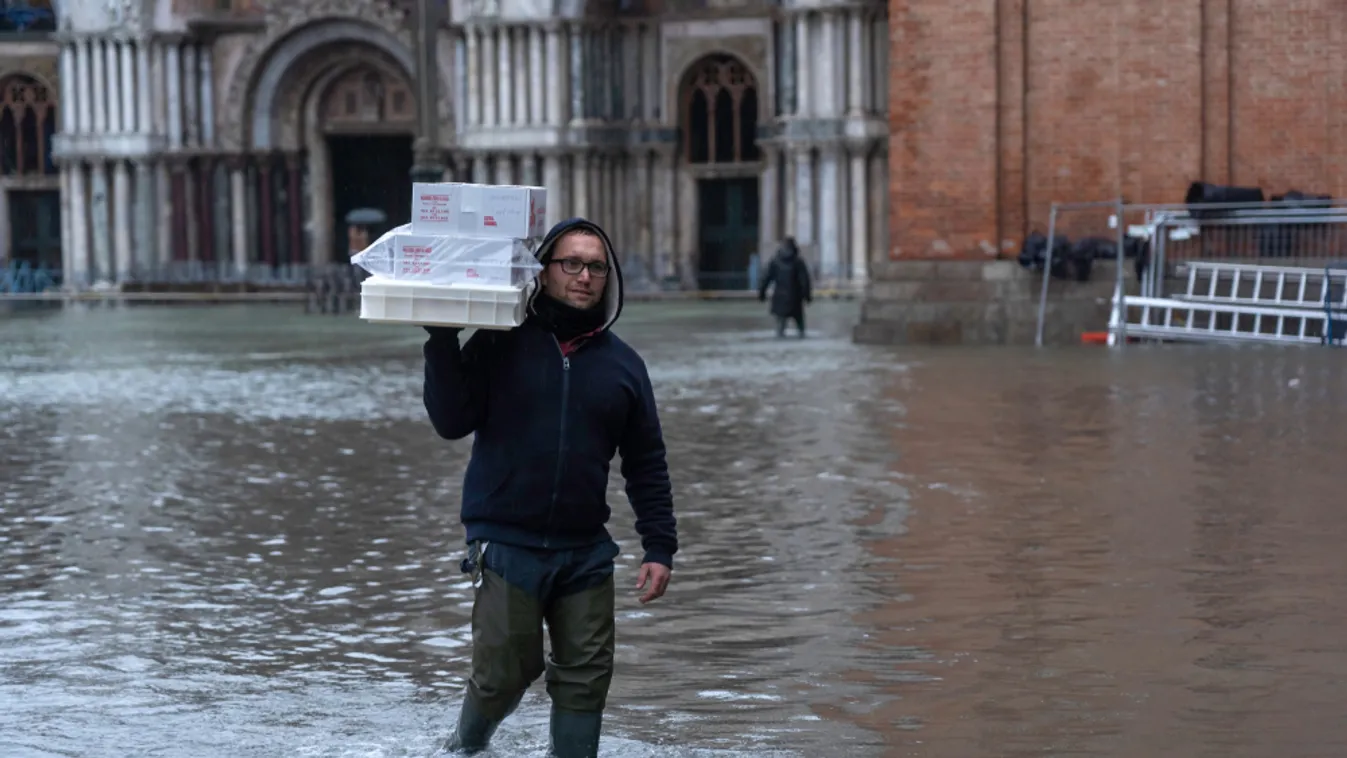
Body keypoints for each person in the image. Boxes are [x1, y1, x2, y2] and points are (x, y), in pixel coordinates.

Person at [422, 217, 678, 758]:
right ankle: (462, 749)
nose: (584, 276)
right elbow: (450, 420)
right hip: (506, 542)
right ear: (542, 271)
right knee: (504, 672)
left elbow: (646, 462)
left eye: (597, 267)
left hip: (585, 550)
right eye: (572, 264)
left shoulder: (625, 367)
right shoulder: (498, 343)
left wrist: (660, 547)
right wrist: (441, 338)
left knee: (586, 680)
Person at [758, 236, 813, 338]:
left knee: (780, 329)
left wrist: (761, 294)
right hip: (795, 299)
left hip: (779, 298)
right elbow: (805, 281)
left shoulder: (775, 261)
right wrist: (808, 296)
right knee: (801, 329)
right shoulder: (798, 262)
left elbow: (766, 279)